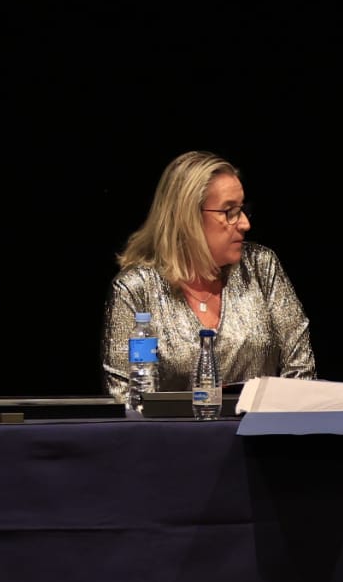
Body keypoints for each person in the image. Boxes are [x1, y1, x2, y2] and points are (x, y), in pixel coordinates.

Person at [102, 150, 315, 401]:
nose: (245, 223)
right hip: (169, 439)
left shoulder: (261, 267)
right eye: (229, 211)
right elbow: (124, 396)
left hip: (259, 436)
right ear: (188, 217)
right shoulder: (136, 288)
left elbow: (301, 371)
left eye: (242, 209)